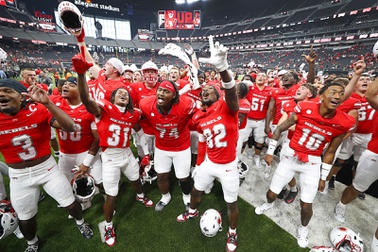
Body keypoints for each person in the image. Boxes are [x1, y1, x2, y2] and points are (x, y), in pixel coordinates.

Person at [255, 82, 356, 248]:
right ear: (322, 96)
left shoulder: (343, 122)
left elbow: (330, 152)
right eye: (333, 92)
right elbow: (280, 128)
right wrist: (270, 151)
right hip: (291, 156)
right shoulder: (305, 108)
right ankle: (268, 204)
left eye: (341, 93)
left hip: (312, 162)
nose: (337, 96)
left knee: (307, 204)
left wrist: (323, 177)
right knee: (272, 193)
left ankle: (303, 228)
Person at [0, 79, 94, 252]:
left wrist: (48, 103)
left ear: (22, 97)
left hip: (46, 168)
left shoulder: (38, 109)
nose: (1, 94)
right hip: (18, 175)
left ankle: (81, 222)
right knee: (26, 217)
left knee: (70, 203)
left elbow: (71, 126)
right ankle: (32, 242)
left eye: (7, 90)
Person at [72, 53, 153, 247]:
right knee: (111, 195)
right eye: (119, 93)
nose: (123, 93)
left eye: (126, 93)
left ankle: (140, 196)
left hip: (127, 153)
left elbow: (140, 132)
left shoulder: (133, 115)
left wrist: (146, 153)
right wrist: (81, 75)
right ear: (112, 97)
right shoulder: (103, 109)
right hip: (109, 157)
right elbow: (86, 99)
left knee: (136, 180)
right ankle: (108, 225)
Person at [176, 36, 240, 252]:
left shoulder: (227, 107)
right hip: (210, 161)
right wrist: (201, 162)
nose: (204, 91)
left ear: (218, 93)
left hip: (229, 165)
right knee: (196, 189)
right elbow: (201, 139)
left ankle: (232, 231)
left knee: (231, 203)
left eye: (209, 90)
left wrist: (223, 69)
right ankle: (192, 210)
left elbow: (231, 95)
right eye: (203, 91)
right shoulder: (200, 116)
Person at [139, 80, 196, 212]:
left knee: (183, 177)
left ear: (175, 96)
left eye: (166, 91)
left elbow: (200, 112)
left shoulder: (186, 104)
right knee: (161, 175)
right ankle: (165, 196)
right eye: (160, 90)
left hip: (181, 146)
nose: (161, 93)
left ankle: (186, 196)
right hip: (161, 146)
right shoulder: (146, 104)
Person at [49, 76, 103, 215]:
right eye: (65, 84)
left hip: (86, 151)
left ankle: (108, 200)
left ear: (80, 90)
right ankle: (84, 203)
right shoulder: (56, 102)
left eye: (71, 85)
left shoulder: (89, 108)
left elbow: (97, 139)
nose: (65, 86)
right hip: (65, 153)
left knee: (101, 182)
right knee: (67, 183)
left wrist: (87, 162)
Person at [334, 75, 378, 224]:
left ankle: (356, 184)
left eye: (368, 79)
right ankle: (332, 179)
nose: (365, 81)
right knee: (341, 159)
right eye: (362, 79)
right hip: (354, 134)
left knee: (358, 164)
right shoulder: (351, 97)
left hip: (369, 136)